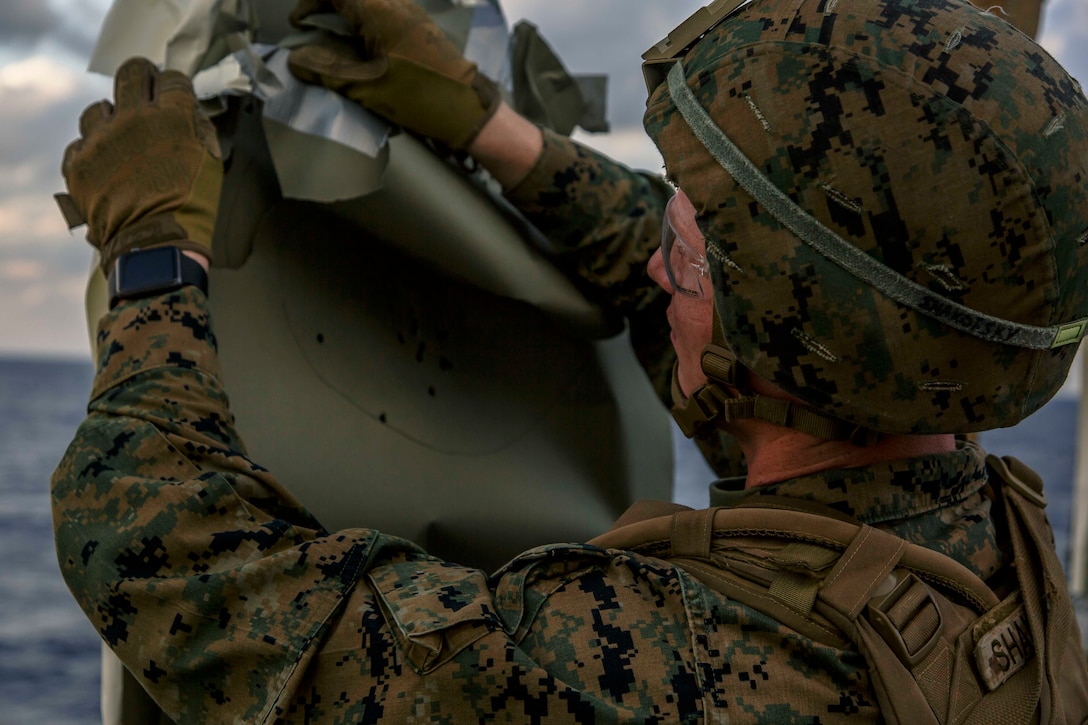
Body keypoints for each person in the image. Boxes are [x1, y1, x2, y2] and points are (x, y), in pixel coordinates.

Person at [52, 0, 1088, 722]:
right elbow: (717, 294)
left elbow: (163, 551)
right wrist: (489, 126)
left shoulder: (638, 669)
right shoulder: (982, 530)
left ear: (784, 334)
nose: (653, 259)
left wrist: (153, 250)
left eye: (686, 254)